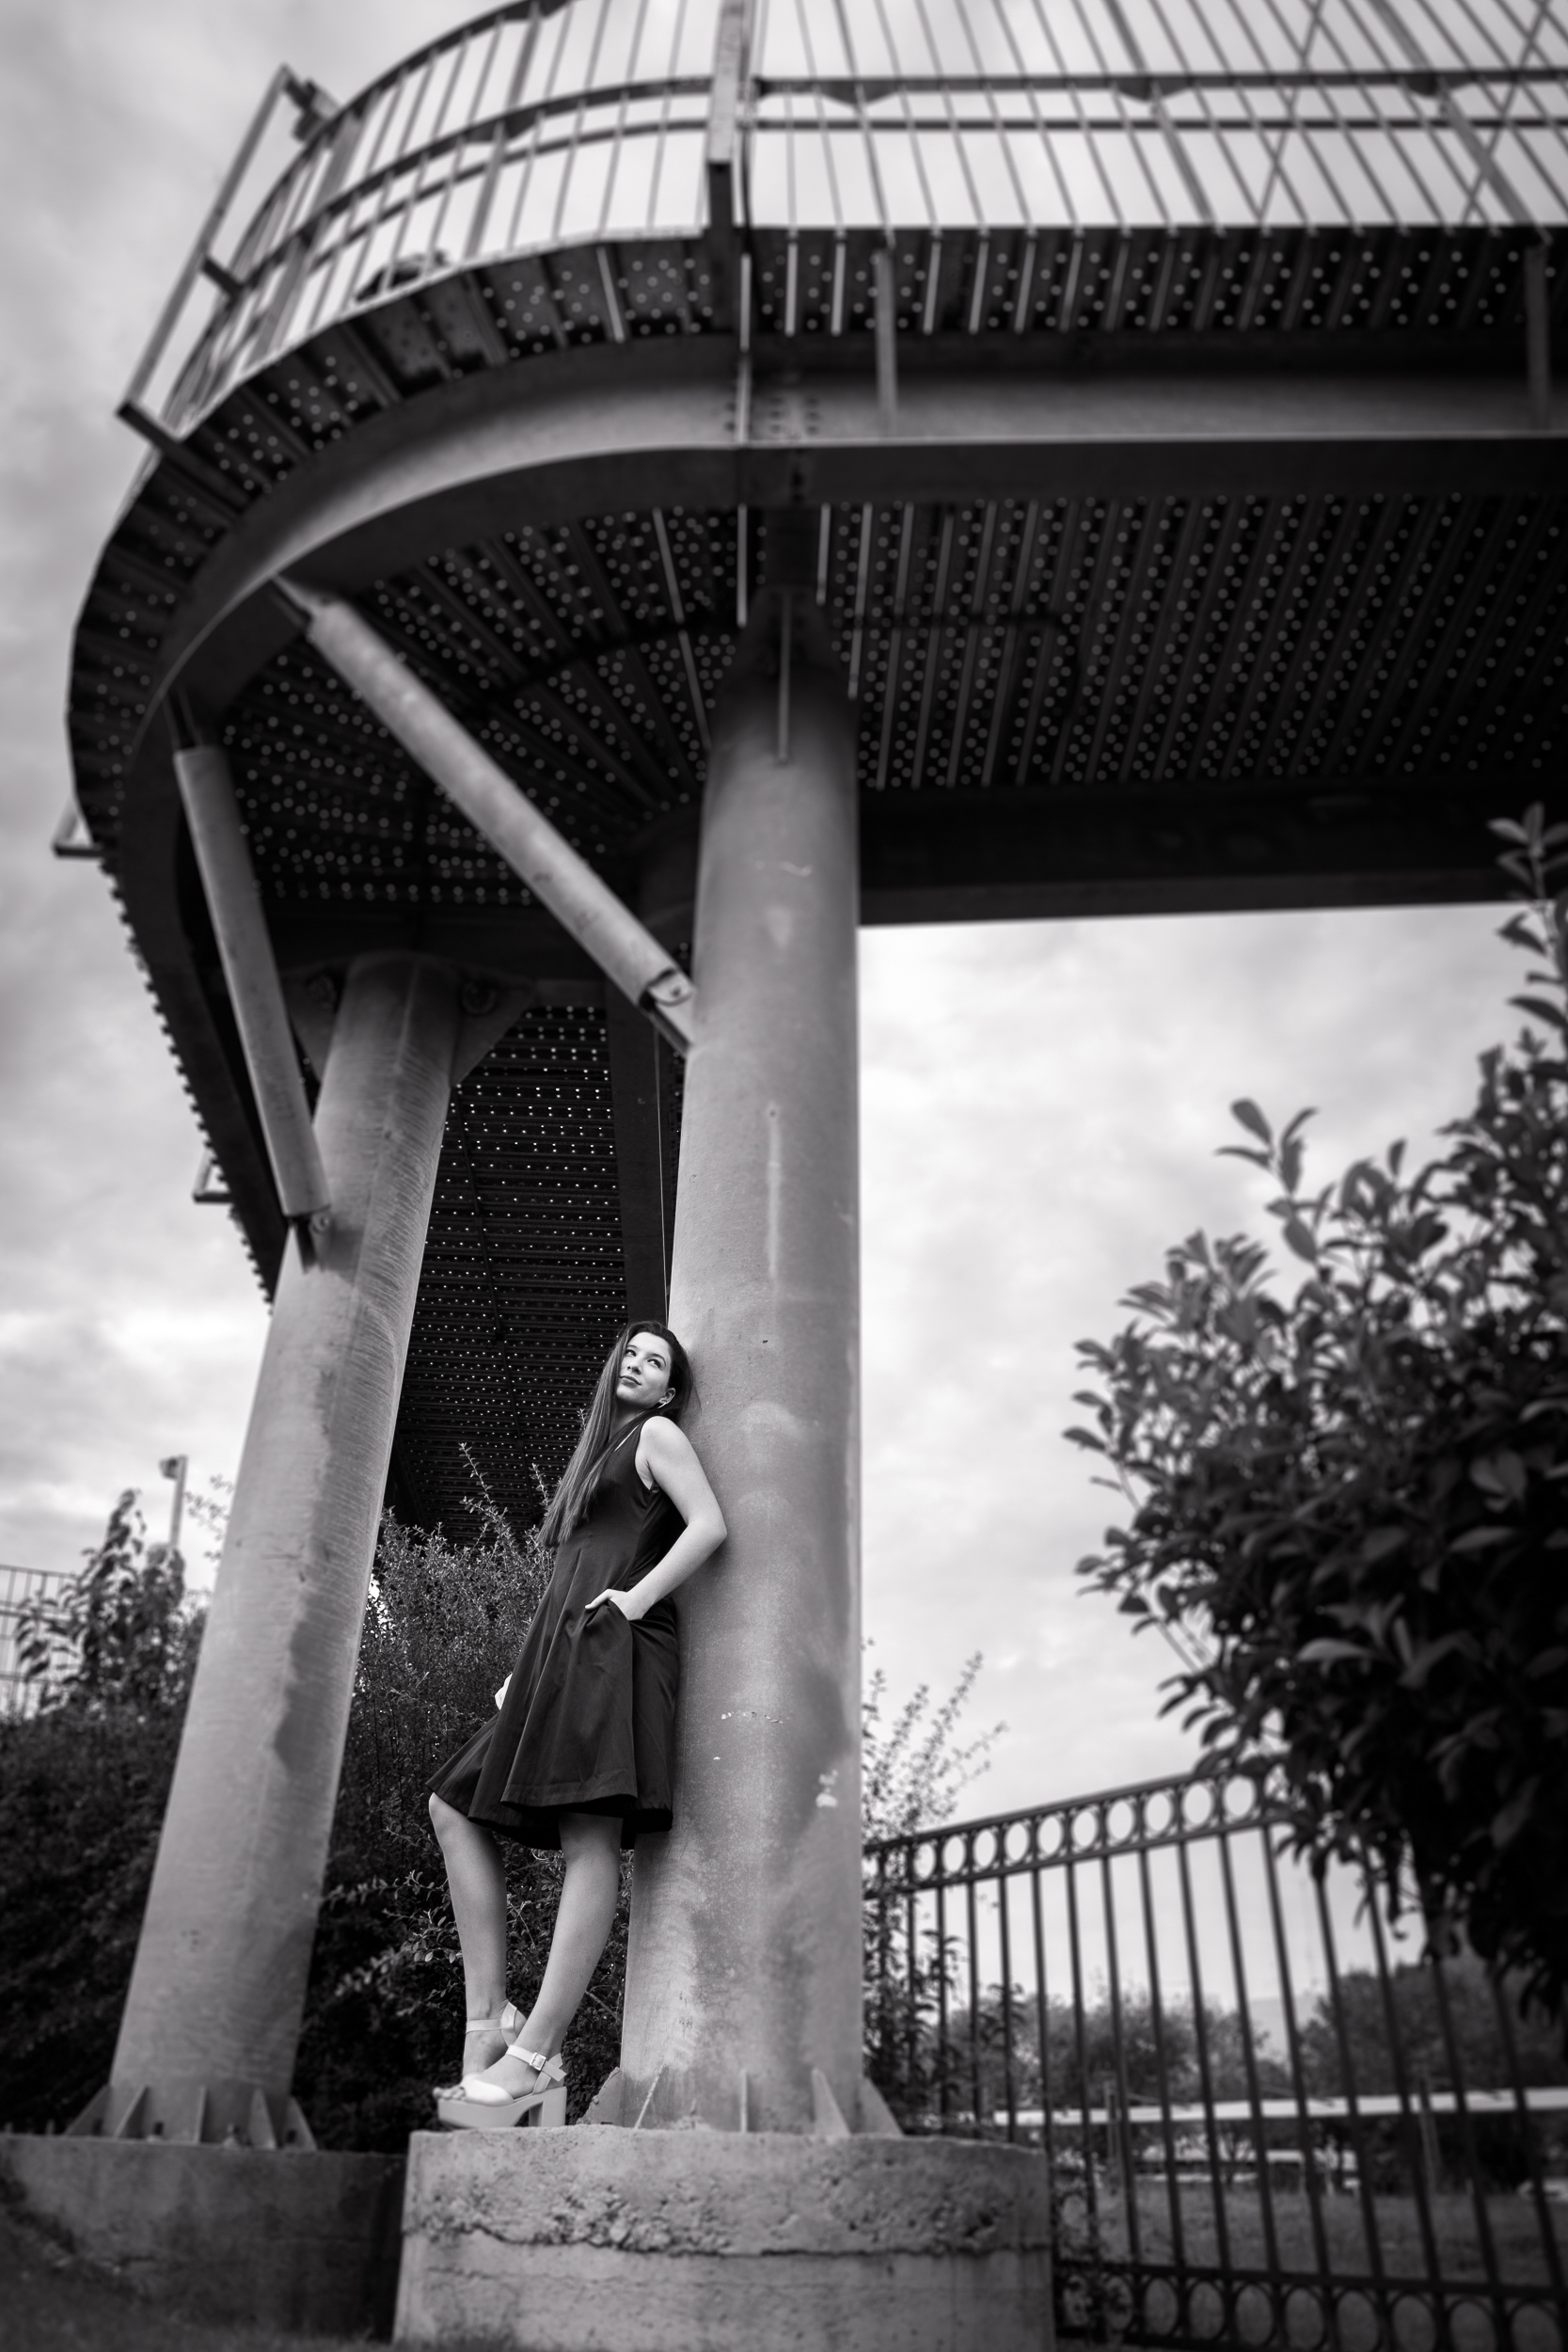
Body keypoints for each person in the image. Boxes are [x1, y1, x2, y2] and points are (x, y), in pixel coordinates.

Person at [426, 1319, 725, 2130]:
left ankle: (534, 2057)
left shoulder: (657, 1436)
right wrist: (524, 1670)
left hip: (612, 1647)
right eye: (631, 1352)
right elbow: (570, 1570)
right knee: (452, 1805)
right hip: (559, 1656)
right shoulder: (595, 1455)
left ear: (668, 1391)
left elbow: (709, 1524)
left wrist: (636, 1599)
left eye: (656, 1362)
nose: (638, 1364)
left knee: (589, 1839)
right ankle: (489, 2019)